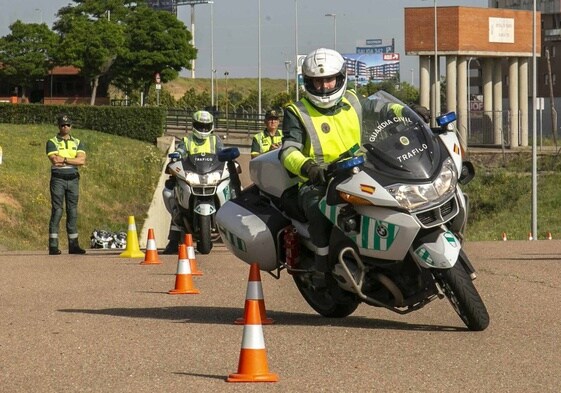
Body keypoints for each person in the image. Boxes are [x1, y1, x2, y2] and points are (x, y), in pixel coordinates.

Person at [279, 48, 429, 272]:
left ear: (340, 78)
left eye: (329, 80)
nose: (323, 87)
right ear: (308, 82)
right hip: (320, 179)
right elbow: (288, 151)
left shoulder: (352, 99)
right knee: (317, 207)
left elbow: (382, 108)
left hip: (361, 170)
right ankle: (322, 266)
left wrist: (407, 112)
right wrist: (309, 167)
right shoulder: (298, 111)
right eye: (317, 82)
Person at [162, 110, 224, 254]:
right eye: (200, 126)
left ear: (211, 126)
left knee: (235, 189)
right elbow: (181, 151)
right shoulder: (187, 140)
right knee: (174, 198)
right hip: (193, 176)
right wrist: (177, 155)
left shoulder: (216, 140)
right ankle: (173, 241)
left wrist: (228, 158)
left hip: (210, 175)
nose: (203, 129)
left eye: (206, 126)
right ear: (194, 125)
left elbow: (222, 153)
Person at [46, 114, 87, 255]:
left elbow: (81, 161)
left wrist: (63, 158)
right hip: (58, 179)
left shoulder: (78, 142)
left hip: (73, 178)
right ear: (59, 126)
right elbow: (54, 160)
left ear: (71, 126)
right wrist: (72, 159)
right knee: (57, 210)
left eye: (68, 125)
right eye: (63, 125)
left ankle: (74, 245)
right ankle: (53, 245)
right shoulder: (52, 142)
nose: (65, 127)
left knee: (73, 211)